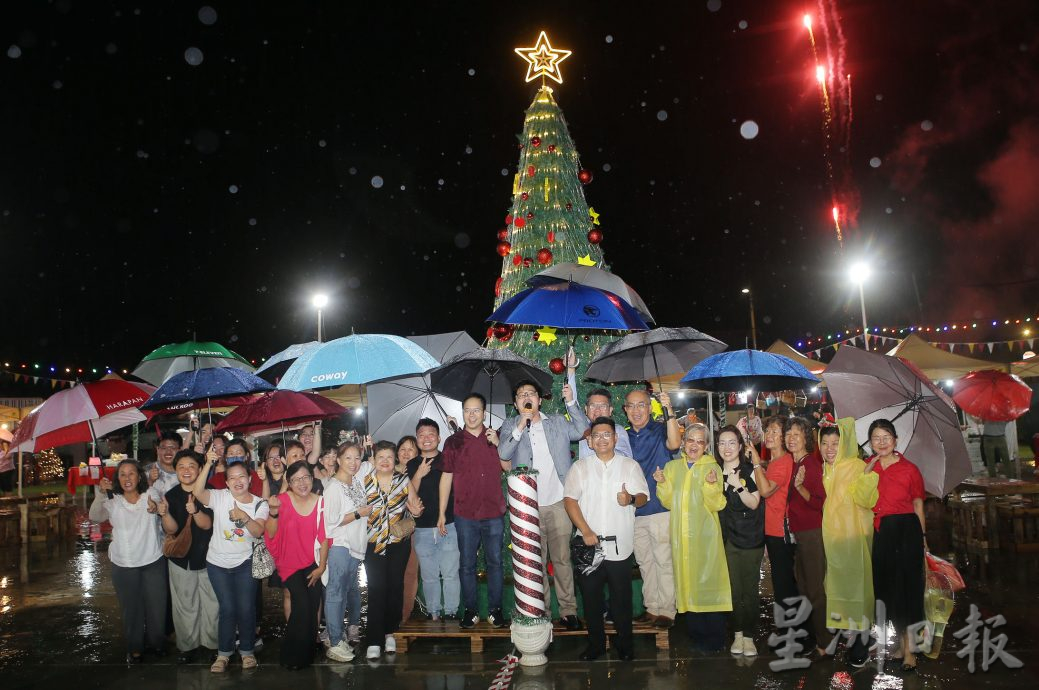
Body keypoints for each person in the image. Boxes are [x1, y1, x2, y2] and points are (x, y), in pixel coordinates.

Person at [498, 379, 589, 630]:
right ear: (516, 403)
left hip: (559, 501)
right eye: (520, 394)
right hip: (527, 507)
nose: (526, 397)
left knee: (561, 559)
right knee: (535, 562)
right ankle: (542, 612)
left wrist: (571, 402)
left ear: (539, 399)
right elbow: (503, 454)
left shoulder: (557, 422)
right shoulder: (509, 425)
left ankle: (569, 611)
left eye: (531, 393)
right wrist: (519, 426)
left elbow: (582, 429)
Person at [564, 417, 648, 661]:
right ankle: (596, 646)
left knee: (622, 601)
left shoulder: (629, 466)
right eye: (596, 435)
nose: (601, 439)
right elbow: (570, 501)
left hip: (620, 545)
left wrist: (630, 499)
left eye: (606, 435)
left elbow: (644, 495)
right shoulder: (579, 468)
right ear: (589, 441)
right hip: (589, 546)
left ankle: (625, 646)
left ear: (615, 438)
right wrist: (586, 531)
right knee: (591, 601)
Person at [654, 423, 731, 651]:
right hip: (681, 539)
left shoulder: (712, 468)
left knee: (708, 584)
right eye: (690, 440)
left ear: (706, 446)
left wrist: (709, 486)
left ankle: (716, 639)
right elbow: (667, 501)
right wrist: (663, 483)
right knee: (687, 585)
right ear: (684, 442)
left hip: (705, 539)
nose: (694, 445)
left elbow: (718, 503)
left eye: (700, 441)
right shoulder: (672, 467)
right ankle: (697, 638)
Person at [192, 454, 269, 672]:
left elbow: (258, 531)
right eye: (232, 478)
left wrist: (244, 517)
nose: (238, 481)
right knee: (227, 608)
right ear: (226, 482)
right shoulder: (220, 497)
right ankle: (223, 654)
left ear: (249, 479)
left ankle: (246, 651)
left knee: (245, 608)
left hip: (245, 563)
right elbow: (197, 492)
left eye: (242, 476)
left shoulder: (258, 503)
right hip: (217, 563)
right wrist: (207, 462)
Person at [439, 393, 507, 629]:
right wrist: (441, 513)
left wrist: (499, 445)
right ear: (463, 413)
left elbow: (509, 466)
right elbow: (446, 478)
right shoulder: (453, 442)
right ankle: (470, 609)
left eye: (476, 410)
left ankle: (496, 609)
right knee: (466, 564)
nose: (472, 414)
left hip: (493, 512)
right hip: (465, 513)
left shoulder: (496, 437)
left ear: (484, 413)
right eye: (467, 410)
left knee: (495, 563)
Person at [90, 460, 167, 664]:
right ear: (117, 479)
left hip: (153, 560)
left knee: (157, 607)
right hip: (124, 564)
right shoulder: (112, 499)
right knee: (131, 609)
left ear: (139, 476)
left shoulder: (150, 494)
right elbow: (95, 517)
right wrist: (100, 493)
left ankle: (157, 642)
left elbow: (157, 507)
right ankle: (135, 647)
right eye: (122, 475)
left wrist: (155, 508)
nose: (127, 478)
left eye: (131, 473)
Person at [866, 419, 926, 673]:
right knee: (888, 590)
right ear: (870, 442)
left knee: (908, 589)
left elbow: (918, 505)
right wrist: (867, 471)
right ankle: (900, 646)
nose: (881, 442)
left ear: (895, 440)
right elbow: (862, 499)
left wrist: (922, 539)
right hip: (882, 534)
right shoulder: (869, 470)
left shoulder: (910, 469)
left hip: (907, 532)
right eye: (876, 438)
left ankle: (910, 651)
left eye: (886, 437)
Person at [819, 420, 878, 668]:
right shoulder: (826, 468)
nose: (830, 448)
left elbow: (866, 501)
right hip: (832, 539)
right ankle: (852, 632)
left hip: (853, 538)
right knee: (838, 587)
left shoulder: (855, 466)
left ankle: (861, 640)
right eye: (825, 443)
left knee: (857, 588)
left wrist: (866, 478)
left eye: (835, 443)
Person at [624, 388, 681, 629]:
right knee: (645, 562)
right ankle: (652, 607)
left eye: (641, 405)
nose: (637, 411)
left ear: (649, 407)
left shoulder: (660, 430)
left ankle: (667, 609)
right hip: (633, 512)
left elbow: (675, 442)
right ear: (625, 410)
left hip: (659, 508)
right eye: (631, 406)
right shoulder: (623, 437)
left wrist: (668, 409)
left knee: (663, 561)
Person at [265, 461, 329, 670]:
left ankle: (306, 652)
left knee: (312, 604)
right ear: (289, 483)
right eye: (296, 479)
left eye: (306, 478)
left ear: (313, 478)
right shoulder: (281, 500)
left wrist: (321, 567)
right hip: (288, 563)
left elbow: (325, 538)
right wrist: (273, 512)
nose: (302, 483)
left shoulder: (320, 502)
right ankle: (291, 654)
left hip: (311, 562)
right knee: (301, 602)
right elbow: (271, 533)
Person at [364, 440, 424, 660]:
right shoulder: (365, 481)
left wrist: (416, 511)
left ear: (395, 459)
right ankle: (373, 639)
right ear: (374, 460)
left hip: (398, 544)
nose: (385, 461)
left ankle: (391, 633)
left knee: (395, 588)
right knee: (376, 589)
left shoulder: (403, 480)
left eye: (389, 457)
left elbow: (415, 507)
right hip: (373, 544)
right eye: (381, 457)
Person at [159, 449, 218, 665]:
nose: (186, 470)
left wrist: (194, 511)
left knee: (212, 604)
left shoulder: (210, 492)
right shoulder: (171, 495)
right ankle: (188, 646)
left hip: (209, 558)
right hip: (180, 560)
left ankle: (212, 644)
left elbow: (207, 524)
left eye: (191, 466)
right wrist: (164, 513)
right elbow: (171, 530)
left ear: (200, 469)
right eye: (181, 466)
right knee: (184, 605)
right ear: (175, 470)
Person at [782, 416, 830, 655]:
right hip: (798, 534)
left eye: (796, 434)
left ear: (806, 439)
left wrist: (800, 487)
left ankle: (824, 642)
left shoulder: (810, 465)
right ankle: (817, 638)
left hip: (812, 533)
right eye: (788, 433)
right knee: (803, 586)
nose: (791, 438)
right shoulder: (794, 463)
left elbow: (820, 503)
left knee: (814, 589)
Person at [715, 425, 764, 656]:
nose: (727, 447)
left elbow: (755, 503)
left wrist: (738, 485)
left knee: (750, 591)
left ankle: (749, 636)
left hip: (749, 539)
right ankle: (736, 634)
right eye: (722, 443)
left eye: (732, 442)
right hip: (724, 540)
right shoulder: (713, 473)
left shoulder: (749, 471)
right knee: (732, 590)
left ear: (740, 446)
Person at [407, 419, 461, 622]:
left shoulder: (448, 460)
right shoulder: (412, 465)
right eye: (421, 435)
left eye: (431, 434)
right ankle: (433, 612)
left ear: (439, 438)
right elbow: (409, 495)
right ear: (417, 439)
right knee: (428, 576)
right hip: (422, 529)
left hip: (449, 525)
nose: (426, 438)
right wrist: (419, 475)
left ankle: (452, 611)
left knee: (450, 573)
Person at [752, 416, 802, 634]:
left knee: (784, 584)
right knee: (782, 583)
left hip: (780, 531)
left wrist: (755, 462)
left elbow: (765, 490)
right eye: (768, 431)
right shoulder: (774, 462)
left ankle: (790, 633)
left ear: (784, 438)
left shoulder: (783, 462)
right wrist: (762, 465)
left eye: (775, 432)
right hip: (773, 529)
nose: (769, 435)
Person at [323, 442, 373, 661]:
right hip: (340, 547)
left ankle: (339, 638)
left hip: (355, 548)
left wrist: (369, 449)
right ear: (338, 460)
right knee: (335, 594)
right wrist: (359, 514)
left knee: (343, 594)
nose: (353, 463)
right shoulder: (333, 487)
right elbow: (329, 523)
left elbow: (372, 464)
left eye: (356, 458)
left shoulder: (356, 482)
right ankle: (334, 642)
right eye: (348, 458)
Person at [396, 435, 421, 622]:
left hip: (412, 529)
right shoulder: (386, 469)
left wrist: (416, 474)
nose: (406, 453)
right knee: (393, 574)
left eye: (410, 449)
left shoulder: (422, 469)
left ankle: (405, 614)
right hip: (387, 533)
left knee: (411, 572)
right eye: (402, 449)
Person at [147, 431, 183, 496]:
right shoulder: (147, 470)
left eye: (173, 448)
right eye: (164, 448)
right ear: (157, 449)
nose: (168, 451)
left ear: (180, 450)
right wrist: (150, 481)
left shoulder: (186, 472)